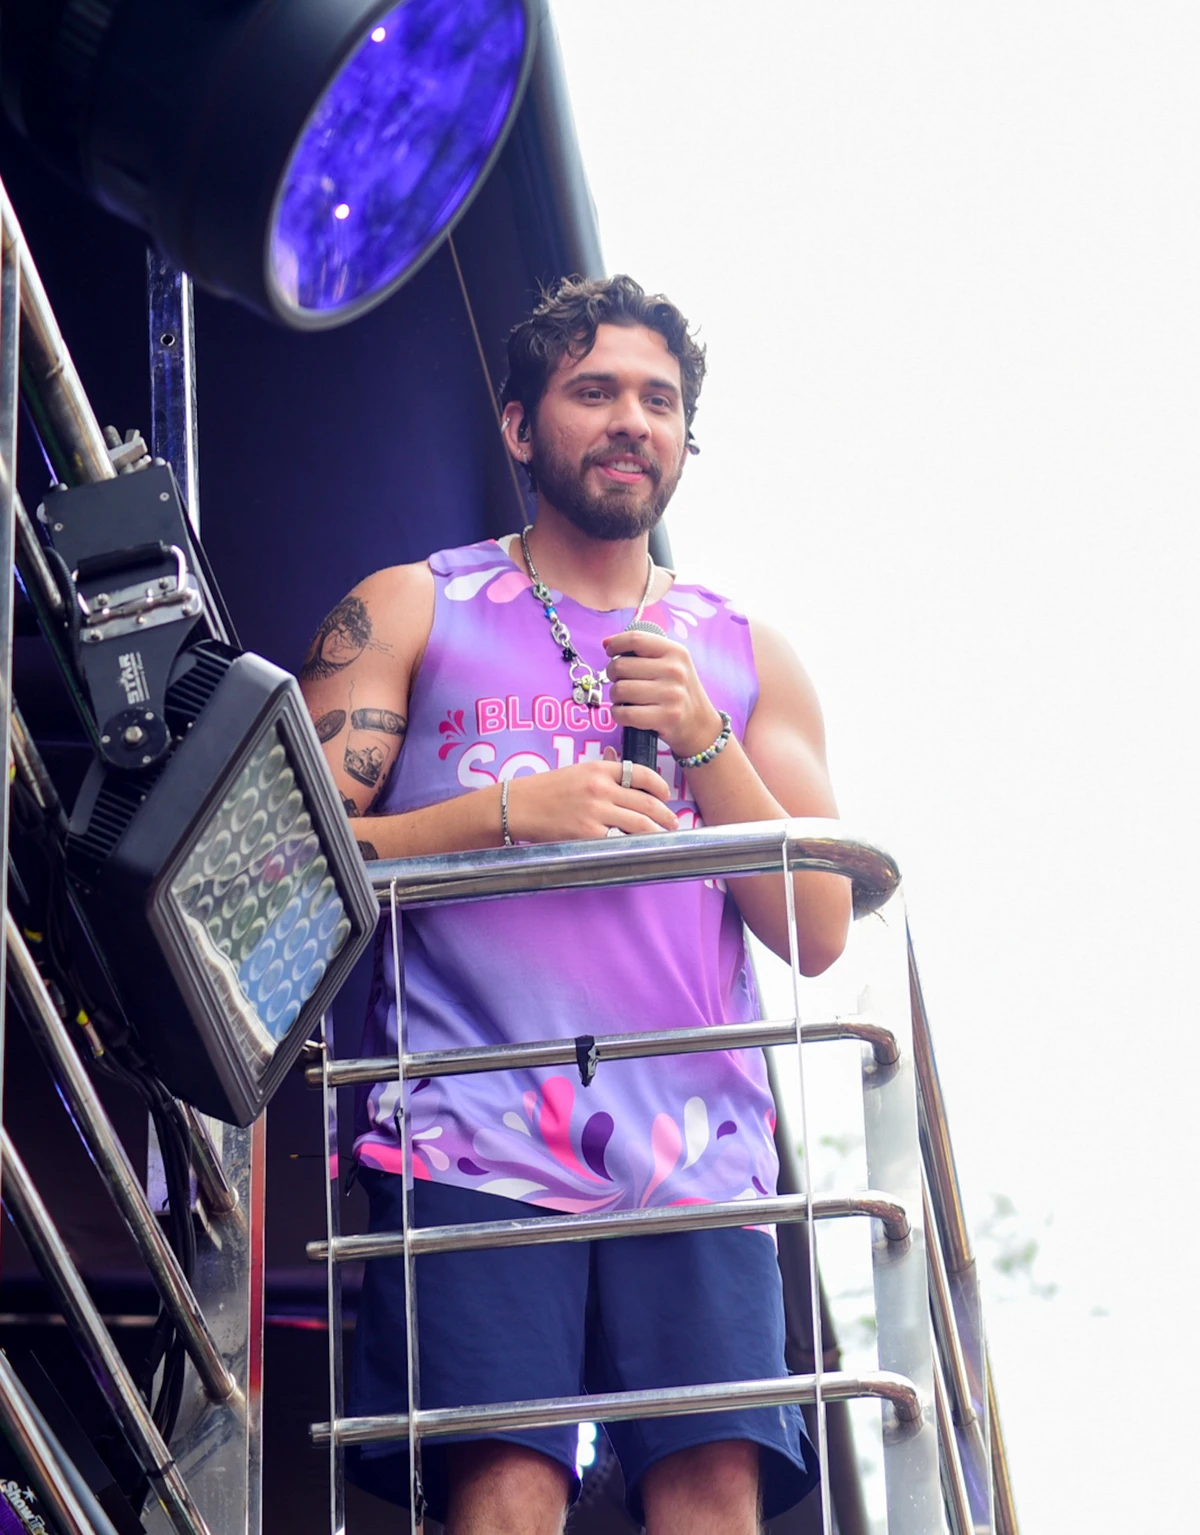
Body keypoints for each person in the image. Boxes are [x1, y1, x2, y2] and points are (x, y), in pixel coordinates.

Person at [299, 275, 851, 1535]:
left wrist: (705, 738)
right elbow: (278, 865)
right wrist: (504, 815)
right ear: (518, 424)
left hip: (700, 1156)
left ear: (688, 440)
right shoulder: (416, 602)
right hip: (469, 1132)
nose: (630, 421)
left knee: (715, 1503)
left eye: (659, 400)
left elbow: (819, 927)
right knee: (504, 1499)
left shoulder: (744, 653)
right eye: (594, 391)